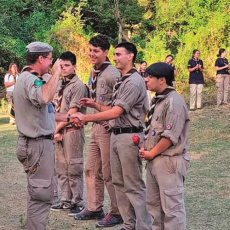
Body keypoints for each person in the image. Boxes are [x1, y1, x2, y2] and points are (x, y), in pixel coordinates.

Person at [68, 42, 152, 230]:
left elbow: (116, 112)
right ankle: (129, 224)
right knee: (119, 182)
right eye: (114, 54)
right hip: (116, 134)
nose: (115, 58)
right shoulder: (123, 78)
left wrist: (86, 117)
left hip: (129, 136)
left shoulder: (132, 81)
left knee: (133, 184)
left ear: (130, 56)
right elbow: (113, 109)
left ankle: (143, 225)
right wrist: (95, 105)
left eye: (119, 54)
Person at [73, 34, 122, 228]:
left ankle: (117, 212)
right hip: (94, 126)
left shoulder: (113, 74)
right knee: (91, 169)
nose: (91, 54)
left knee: (109, 173)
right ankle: (94, 207)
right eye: (90, 50)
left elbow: (120, 104)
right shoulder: (95, 72)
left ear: (105, 52)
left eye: (96, 51)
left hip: (107, 127)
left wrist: (114, 121)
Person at [13, 41, 62, 230]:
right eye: (50, 60)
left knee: (37, 192)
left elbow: (41, 111)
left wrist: (68, 116)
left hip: (34, 143)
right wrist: (56, 72)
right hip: (37, 145)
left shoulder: (26, 79)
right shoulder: (30, 79)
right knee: (41, 196)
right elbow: (44, 97)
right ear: (40, 59)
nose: (51, 63)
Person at [139, 62, 190, 230]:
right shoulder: (158, 100)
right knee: (155, 207)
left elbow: (169, 137)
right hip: (154, 160)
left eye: (150, 77)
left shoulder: (174, 102)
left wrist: (151, 152)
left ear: (162, 80)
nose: (146, 80)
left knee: (172, 209)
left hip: (168, 162)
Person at [50, 51, 88, 216]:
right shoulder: (59, 84)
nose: (63, 69)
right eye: (61, 65)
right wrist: (56, 131)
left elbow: (72, 113)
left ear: (74, 66)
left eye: (66, 65)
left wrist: (54, 130)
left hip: (71, 131)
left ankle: (77, 202)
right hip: (59, 131)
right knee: (61, 168)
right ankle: (65, 200)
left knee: (74, 167)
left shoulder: (78, 86)